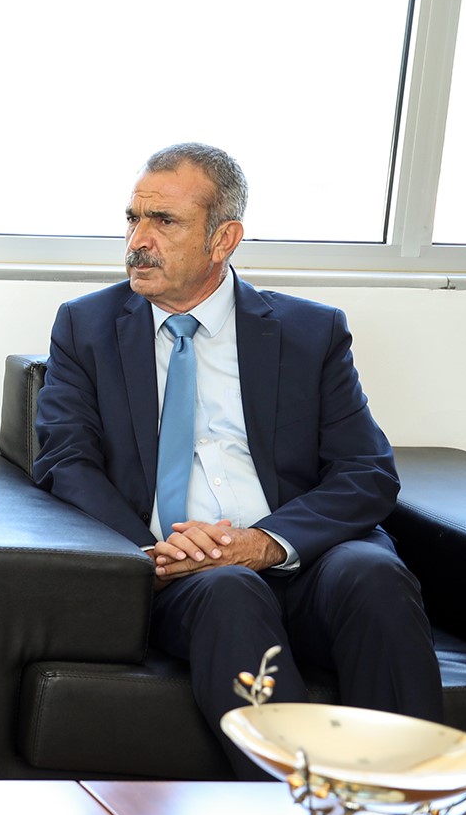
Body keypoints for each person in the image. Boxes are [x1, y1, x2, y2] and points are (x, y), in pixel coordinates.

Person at [33, 142, 442, 769]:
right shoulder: (85, 327)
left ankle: (411, 799)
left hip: (303, 559)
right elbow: (66, 460)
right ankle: (299, 810)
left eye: (164, 221)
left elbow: (366, 472)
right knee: (229, 589)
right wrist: (150, 555)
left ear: (223, 239)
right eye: (133, 218)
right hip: (182, 576)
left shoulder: (310, 332)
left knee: (374, 575)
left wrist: (265, 542)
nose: (138, 241)